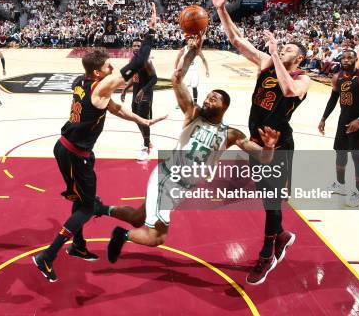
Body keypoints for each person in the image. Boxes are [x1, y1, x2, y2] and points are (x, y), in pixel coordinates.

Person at [103, 35, 281, 269]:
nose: (208, 101)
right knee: (158, 237)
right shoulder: (193, 114)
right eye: (207, 97)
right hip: (168, 178)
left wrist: (268, 147)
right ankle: (121, 235)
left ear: (224, 106)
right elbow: (177, 78)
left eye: (214, 99)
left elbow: (263, 158)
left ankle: (100, 208)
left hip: (182, 187)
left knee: (138, 217)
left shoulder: (231, 134)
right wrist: (191, 52)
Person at [32, 3, 167, 283]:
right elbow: (137, 62)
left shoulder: (82, 81)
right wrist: (151, 31)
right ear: (97, 73)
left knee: (80, 201)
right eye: (108, 66)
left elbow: (115, 108)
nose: (112, 68)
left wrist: (142, 122)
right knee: (86, 207)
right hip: (75, 153)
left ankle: (78, 246)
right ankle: (48, 256)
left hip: (68, 148)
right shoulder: (101, 84)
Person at [208, 0, 310, 285]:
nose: (284, 48)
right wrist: (221, 9)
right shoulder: (267, 62)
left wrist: (277, 54)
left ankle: (267, 254)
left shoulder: (303, 79)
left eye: (291, 49)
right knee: (267, 196)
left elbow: (289, 90)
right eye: (284, 46)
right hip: (257, 138)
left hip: (278, 142)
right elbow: (238, 40)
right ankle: (280, 235)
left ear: (299, 59)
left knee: (273, 199)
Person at [319, 50, 359, 207]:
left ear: (356, 59)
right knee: (340, 153)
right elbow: (333, 99)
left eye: (350, 57)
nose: (346, 60)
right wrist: (323, 118)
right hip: (344, 121)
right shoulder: (337, 77)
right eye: (343, 57)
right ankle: (340, 185)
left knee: (357, 157)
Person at [120, 38, 158, 161]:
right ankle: (147, 141)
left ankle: (146, 147)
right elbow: (134, 77)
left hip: (145, 94)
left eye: (138, 46)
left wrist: (143, 90)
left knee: (143, 120)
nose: (136, 48)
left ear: (142, 48)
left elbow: (154, 79)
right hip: (136, 93)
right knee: (135, 117)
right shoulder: (134, 61)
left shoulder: (147, 61)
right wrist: (126, 88)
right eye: (134, 46)